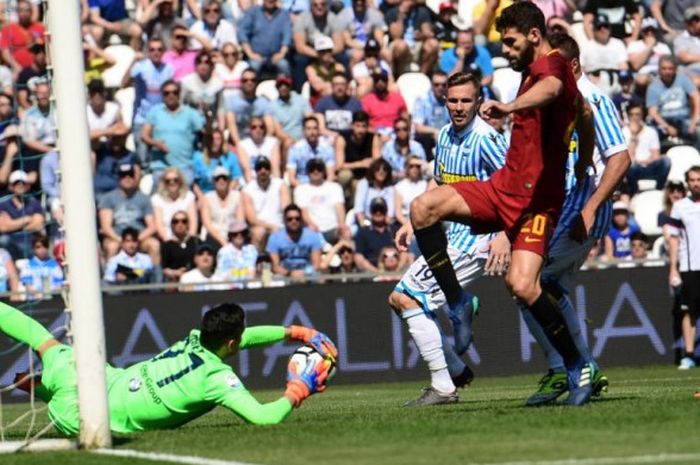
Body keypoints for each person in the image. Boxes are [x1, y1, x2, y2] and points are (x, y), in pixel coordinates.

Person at [401, 3, 597, 406]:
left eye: (509, 43)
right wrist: (581, 160)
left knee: (523, 285)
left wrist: (508, 108)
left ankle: (577, 366)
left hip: (537, 203)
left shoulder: (553, 67)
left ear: (533, 36)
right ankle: (457, 302)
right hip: (502, 187)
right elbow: (584, 113)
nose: (504, 50)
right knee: (423, 208)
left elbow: (556, 91)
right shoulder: (530, 72)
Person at [0, 300, 336, 435]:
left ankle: (45, 385)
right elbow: (265, 418)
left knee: (41, 339)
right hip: (82, 415)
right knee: (86, 410)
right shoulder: (218, 379)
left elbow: (242, 338)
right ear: (231, 344)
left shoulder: (193, 337)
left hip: (90, 375)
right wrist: (298, 389)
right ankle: (45, 391)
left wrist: (297, 332)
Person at [516, 33, 630, 406]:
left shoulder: (594, 99)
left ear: (574, 67)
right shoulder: (558, 101)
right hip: (557, 209)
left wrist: (591, 206)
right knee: (531, 289)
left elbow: (619, 158)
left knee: (536, 281)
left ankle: (573, 364)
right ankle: (568, 366)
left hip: (582, 210)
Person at [387, 73, 507, 405]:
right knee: (401, 301)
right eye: (453, 100)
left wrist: (505, 237)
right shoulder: (443, 135)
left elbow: (515, 191)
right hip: (449, 240)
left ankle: (444, 386)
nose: (458, 107)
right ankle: (454, 367)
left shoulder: (486, 139)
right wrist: (415, 222)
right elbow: (439, 183)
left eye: (466, 100)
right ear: (445, 102)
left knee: (406, 298)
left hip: (476, 242)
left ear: (479, 103)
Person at [141, 80, 206, 185]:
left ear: (179, 94)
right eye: (167, 93)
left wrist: (206, 114)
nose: (171, 96)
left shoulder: (190, 113)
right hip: (160, 167)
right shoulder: (155, 112)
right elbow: (144, 135)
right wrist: (156, 144)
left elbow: (205, 131)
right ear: (162, 95)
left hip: (184, 167)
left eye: (174, 92)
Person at [122, 36, 174, 166]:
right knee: (143, 159)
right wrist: (133, 62)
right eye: (152, 50)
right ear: (148, 52)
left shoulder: (168, 69)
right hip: (141, 119)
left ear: (163, 52)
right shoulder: (141, 67)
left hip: (161, 120)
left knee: (161, 159)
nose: (156, 52)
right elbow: (124, 83)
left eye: (159, 49)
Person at [667, 165, 700, 370]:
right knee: (689, 312)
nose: (696, 183)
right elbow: (673, 240)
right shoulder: (680, 207)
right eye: (693, 180)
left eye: (699, 179)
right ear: (687, 183)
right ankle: (689, 355)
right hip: (690, 267)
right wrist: (673, 268)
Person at [98, 162, 160, 263]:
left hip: (139, 237)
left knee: (154, 244)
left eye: (130, 175)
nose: (127, 178)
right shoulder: (108, 198)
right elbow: (106, 227)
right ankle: (110, 277)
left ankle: (156, 276)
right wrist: (122, 241)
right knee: (111, 246)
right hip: (116, 237)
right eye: (123, 175)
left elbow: (152, 226)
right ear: (119, 177)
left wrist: (134, 240)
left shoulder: (144, 198)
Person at [646, 55, 700, 149]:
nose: (667, 72)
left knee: (698, 131)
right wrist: (667, 127)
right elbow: (653, 112)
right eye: (664, 69)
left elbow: (696, 97)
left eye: (670, 69)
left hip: (683, 118)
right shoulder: (653, 86)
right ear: (659, 69)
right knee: (651, 132)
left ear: (675, 69)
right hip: (664, 120)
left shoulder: (683, 79)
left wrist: (694, 121)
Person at [294, 158, 349, 244]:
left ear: (324, 171)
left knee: (346, 232)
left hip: (333, 228)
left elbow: (339, 207)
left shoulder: (335, 187)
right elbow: (303, 211)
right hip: (313, 230)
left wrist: (341, 224)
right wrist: (310, 224)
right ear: (307, 172)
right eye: (312, 169)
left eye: (319, 168)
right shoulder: (300, 190)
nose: (316, 171)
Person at [242, 156, 290, 250]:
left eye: (266, 167)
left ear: (270, 170)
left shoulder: (280, 185)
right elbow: (252, 219)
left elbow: (287, 209)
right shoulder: (247, 190)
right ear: (255, 171)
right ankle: (258, 261)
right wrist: (271, 227)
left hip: (280, 224)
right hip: (260, 226)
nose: (263, 171)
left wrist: (280, 227)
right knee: (259, 232)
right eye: (259, 168)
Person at [623, 101, 670, 195]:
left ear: (642, 115)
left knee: (666, 160)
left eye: (637, 114)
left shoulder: (651, 131)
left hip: (649, 165)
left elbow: (656, 155)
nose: (634, 117)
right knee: (630, 165)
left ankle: (659, 190)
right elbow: (628, 157)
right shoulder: (623, 132)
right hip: (632, 169)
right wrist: (633, 136)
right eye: (631, 115)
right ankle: (633, 191)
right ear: (628, 116)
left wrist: (643, 162)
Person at [237, 0, 293, 77]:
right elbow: (242, 33)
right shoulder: (253, 12)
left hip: (276, 55)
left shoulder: (283, 14)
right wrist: (250, 54)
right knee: (253, 67)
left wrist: (281, 54)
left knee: (284, 65)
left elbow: (287, 36)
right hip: (256, 55)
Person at [266, 204, 322, 278]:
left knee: (319, 277)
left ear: (301, 219)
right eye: (290, 219)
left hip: (307, 273)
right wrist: (290, 273)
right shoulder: (275, 238)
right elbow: (275, 267)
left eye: (297, 218)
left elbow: (316, 265)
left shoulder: (313, 236)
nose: (294, 221)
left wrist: (304, 273)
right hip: (285, 274)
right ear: (284, 220)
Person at [220, 68, 274, 145]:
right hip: (237, 142)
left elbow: (270, 128)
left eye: (253, 80)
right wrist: (240, 146)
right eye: (245, 80)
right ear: (241, 82)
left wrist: (264, 146)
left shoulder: (263, 102)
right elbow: (231, 125)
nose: (249, 83)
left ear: (257, 82)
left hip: (258, 143)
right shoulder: (231, 100)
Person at [335, 110, 381, 199]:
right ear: (352, 125)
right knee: (344, 175)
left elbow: (377, 160)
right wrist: (361, 164)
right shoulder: (342, 138)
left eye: (364, 126)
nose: (360, 130)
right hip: (350, 173)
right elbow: (339, 165)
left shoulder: (373, 138)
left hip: (366, 174)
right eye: (358, 126)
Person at [0, 170, 44, 259]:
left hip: (30, 243)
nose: (20, 186)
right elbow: (3, 227)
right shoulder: (3, 205)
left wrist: (11, 224)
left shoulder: (34, 203)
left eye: (23, 183)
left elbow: (38, 225)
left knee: (38, 244)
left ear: (28, 186)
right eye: (16, 183)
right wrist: (27, 219)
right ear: (10, 187)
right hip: (11, 244)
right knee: (4, 240)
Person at [354, 197, 406, 272]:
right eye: (375, 210)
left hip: (396, 272)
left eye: (381, 210)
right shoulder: (363, 232)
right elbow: (358, 257)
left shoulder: (395, 230)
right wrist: (377, 272)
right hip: (371, 274)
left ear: (386, 211)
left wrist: (397, 271)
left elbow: (405, 253)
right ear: (370, 212)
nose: (378, 213)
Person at [200, 166, 245, 249]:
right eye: (217, 178)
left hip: (232, 234)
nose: (221, 181)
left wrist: (233, 238)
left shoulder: (237, 196)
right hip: (213, 235)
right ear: (213, 181)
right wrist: (223, 241)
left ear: (229, 180)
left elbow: (240, 220)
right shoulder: (207, 198)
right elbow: (207, 223)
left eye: (224, 178)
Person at [151, 167, 198, 242]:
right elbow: (159, 224)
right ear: (164, 183)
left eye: (175, 180)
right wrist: (169, 241)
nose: (172, 182)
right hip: (166, 240)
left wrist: (189, 241)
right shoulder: (157, 199)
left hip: (186, 239)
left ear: (180, 181)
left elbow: (193, 222)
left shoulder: (189, 196)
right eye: (168, 181)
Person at [286, 115, 336, 187]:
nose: (312, 132)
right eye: (308, 129)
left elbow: (330, 176)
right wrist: (305, 190)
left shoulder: (327, 149)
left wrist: (324, 189)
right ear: (303, 131)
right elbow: (291, 178)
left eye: (315, 128)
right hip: (301, 186)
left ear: (318, 130)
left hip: (322, 185)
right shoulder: (295, 149)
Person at [192, 128, 245, 194]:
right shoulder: (198, 158)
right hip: (205, 194)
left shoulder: (230, 157)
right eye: (212, 139)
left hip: (226, 194)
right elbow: (194, 183)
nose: (215, 142)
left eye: (218, 139)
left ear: (222, 141)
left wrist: (226, 195)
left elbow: (235, 179)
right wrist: (202, 198)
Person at [0, 0, 45, 76]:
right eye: (21, 10)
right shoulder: (8, 29)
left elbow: (45, 50)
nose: (24, 13)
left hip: (38, 69)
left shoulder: (40, 28)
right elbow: (5, 52)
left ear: (31, 12)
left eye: (27, 10)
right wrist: (16, 67)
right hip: (18, 71)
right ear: (17, 12)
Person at [360, 67, 407, 135]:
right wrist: (378, 134)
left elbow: (405, 119)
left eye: (383, 79)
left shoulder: (398, 98)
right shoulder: (366, 101)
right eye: (377, 80)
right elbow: (363, 125)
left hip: (395, 134)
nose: (380, 82)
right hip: (374, 134)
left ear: (387, 81)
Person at [315, 72, 362, 137]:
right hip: (328, 137)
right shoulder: (323, 102)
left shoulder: (355, 103)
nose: (339, 87)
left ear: (347, 86)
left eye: (342, 84)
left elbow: (359, 127)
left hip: (349, 138)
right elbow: (321, 129)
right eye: (336, 84)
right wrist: (337, 137)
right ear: (332, 86)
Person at [412, 71, 450, 153]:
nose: (440, 88)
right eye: (436, 85)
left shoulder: (449, 101)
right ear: (431, 85)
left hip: (445, 140)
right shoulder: (422, 100)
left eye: (443, 85)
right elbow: (418, 127)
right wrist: (435, 131)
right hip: (425, 142)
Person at [19, 234, 64, 300]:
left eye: (45, 246)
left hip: (52, 301)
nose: (42, 249)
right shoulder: (28, 266)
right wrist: (37, 295)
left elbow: (59, 285)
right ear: (33, 248)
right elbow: (28, 285)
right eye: (38, 247)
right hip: (34, 302)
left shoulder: (54, 265)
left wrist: (51, 295)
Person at [353, 157, 396, 226]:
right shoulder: (364, 184)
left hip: (383, 224)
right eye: (377, 169)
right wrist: (364, 227)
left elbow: (390, 213)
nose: (381, 172)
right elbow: (359, 209)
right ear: (373, 171)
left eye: (384, 169)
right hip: (365, 223)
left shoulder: (390, 189)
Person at [180, 50, 224, 116]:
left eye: (206, 63)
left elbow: (221, 108)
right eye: (199, 62)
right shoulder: (186, 81)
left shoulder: (218, 84)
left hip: (211, 120)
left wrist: (221, 126)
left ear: (211, 66)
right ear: (196, 65)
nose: (203, 66)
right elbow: (180, 105)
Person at [237, 116, 281, 180]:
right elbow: (247, 171)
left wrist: (276, 186)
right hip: (251, 180)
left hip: (269, 180)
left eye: (261, 127)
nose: (258, 130)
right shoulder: (242, 145)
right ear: (249, 130)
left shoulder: (273, 142)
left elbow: (275, 169)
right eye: (254, 127)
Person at [161, 210, 200, 283]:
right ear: (172, 225)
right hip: (174, 280)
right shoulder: (167, 245)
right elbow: (163, 268)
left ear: (188, 224)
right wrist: (175, 273)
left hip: (195, 279)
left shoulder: (196, 242)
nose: (180, 224)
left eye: (184, 221)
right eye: (176, 221)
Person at [216, 220, 259, 286]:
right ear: (230, 235)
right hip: (230, 287)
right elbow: (223, 276)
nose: (239, 236)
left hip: (251, 286)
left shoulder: (252, 249)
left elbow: (254, 270)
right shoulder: (224, 252)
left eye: (243, 233)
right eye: (235, 234)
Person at [394, 155, 427, 226]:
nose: (415, 169)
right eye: (411, 166)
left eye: (417, 166)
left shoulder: (425, 185)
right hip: (405, 221)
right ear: (406, 168)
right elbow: (398, 214)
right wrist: (409, 226)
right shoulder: (399, 187)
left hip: (424, 221)